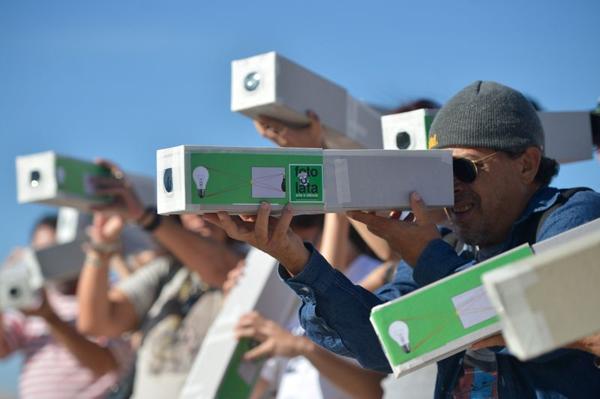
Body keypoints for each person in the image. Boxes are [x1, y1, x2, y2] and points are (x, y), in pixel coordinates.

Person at [204, 81, 600, 398]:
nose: (450, 187)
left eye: (464, 168)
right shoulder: (450, 242)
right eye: (438, 170)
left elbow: (533, 316)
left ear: (527, 164)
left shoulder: (574, 216)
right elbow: (379, 344)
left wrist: (427, 254)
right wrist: (296, 258)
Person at [76, 160, 244, 399]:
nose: (198, 214)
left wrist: (144, 216)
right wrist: (100, 247)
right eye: (189, 204)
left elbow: (218, 268)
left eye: (209, 202)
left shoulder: (248, 263)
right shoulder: (166, 271)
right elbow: (96, 322)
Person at [0, 215, 130, 399]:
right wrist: (4, 290)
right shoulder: (30, 305)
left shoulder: (107, 295)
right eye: (36, 253)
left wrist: (51, 319)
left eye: (50, 252)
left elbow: (105, 365)